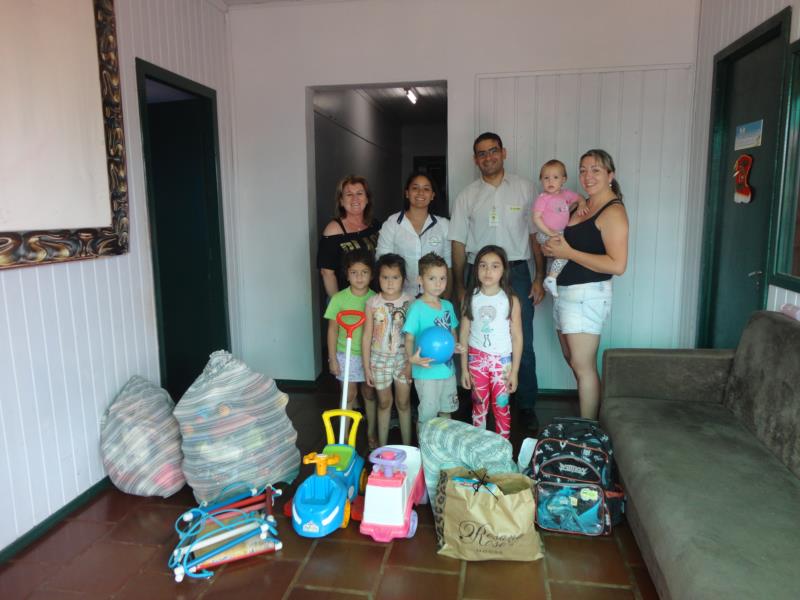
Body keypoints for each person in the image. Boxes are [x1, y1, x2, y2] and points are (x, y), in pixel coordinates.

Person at [449, 132, 544, 431]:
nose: (488, 157)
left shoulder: (525, 189)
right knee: (471, 335)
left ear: (504, 153)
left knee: (521, 337)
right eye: (481, 153)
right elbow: (458, 242)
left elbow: (535, 236)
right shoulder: (467, 195)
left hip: (516, 272)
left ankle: (525, 404)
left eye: (493, 151)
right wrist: (460, 285)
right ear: (475, 159)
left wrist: (539, 276)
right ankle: (472, 395)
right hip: (478, 273)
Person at [543, 149, 629, 420]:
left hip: (587, 294)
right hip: (565, 293)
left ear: (610, 175)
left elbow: (617, 265)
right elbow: (564, 242)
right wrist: (551, 248)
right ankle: (590, 421)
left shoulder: (613, 211)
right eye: (583, 170)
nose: (587, 176)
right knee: (572, 359)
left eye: (595, 170)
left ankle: (590, 430)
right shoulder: (581, 205)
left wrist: (568, 253)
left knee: (583, 366)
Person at [458, 245, 522, 439]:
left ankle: (503, 449)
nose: (488, 271)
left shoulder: (510, 300)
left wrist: (515, 371)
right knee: (479, 406)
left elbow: (517, 337)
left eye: (495, 266)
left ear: (504, 270)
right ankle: (480, 448)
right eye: (483, 265)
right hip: (476, 360)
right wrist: (464, 369)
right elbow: (463, 334)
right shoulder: (470, 298)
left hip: (502, 363)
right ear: (476, 269)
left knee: (502, 406)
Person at [324, 248, 378, 447]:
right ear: (346, 275)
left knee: (369, 393)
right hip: (345, 354)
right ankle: (344, 439)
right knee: (349, 394)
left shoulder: (375, 299)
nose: (359, 277)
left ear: (371, 274)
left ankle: (371, 433)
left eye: (364, 272)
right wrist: (332, 358)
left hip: (370, 354)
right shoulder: (338, 299)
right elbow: (332, 330)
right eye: (354, 272)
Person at [402, 252, 460, 430]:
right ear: (420, 280)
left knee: (446, 412)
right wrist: (411, 359)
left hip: (447, 371)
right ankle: (425, 447)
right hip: (425, 372)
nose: (438, 283)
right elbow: (409, 337)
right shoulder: (416, 308)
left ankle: (444, 445)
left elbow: (452, 332)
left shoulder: (448, 306)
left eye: (442, 278)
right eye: (432, 278)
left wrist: (455, 346)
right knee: (428, 415)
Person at [362, 254, 413, 447]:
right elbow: (367, 336)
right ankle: (382, 449)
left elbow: (414, 336)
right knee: (384, 403)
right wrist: (366, 367)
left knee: (404, 403)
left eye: (395, 277)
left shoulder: (411, 302)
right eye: (385, 277)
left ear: (403, 279)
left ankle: (408, 447)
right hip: (378, 359)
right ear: (378, 278)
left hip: (403, 358)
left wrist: (410, 364)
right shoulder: (372, 303)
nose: (390, 282)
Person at [376, 172, 451, 298]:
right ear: (407, 193)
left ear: (432, 195)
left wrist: (446, 301)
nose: (420, 192)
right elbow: (383, 262)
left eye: (426, 189)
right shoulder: (392, 224)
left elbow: (449, 265)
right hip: (400, 297)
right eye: (415, 188)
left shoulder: (443, 225)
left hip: (434, 298)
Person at [317, 175, 380, 298]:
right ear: (341, 201)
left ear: (367, 199)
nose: (355, 199)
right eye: (349, 194)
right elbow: (327, 272)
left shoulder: (375, 225)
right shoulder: (333, 230)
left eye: (359, 193)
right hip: (347, 301)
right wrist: (338, 303)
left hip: (374, 298)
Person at [532, 159, 587, 298]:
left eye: (555, 177)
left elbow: (580, 198)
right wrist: (550, 233)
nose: (550, 181)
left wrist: (581, 204)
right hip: (544, 233)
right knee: (563, 254)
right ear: (541, 180)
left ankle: (551, 277)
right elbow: (536, 218)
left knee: (562, 255)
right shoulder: (543, 198)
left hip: (558, 233)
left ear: (563, 179)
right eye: (546, 178)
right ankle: (551, 278)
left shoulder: (566, 194)